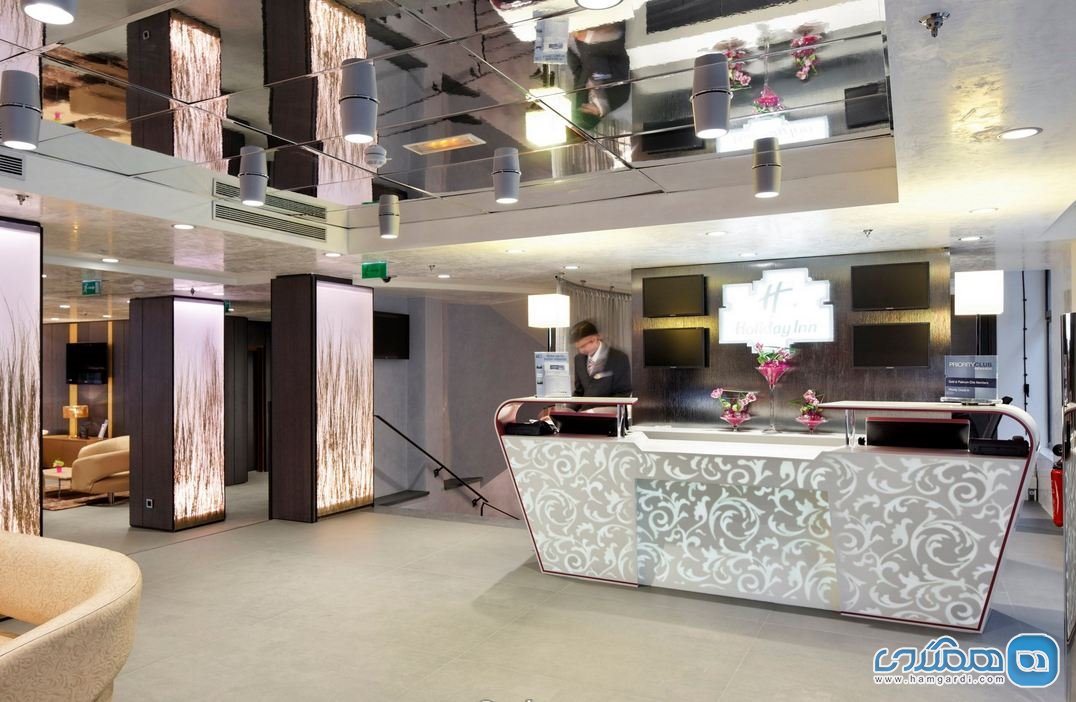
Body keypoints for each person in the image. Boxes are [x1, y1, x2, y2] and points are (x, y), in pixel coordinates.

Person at [569, 320, 632, 398]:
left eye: (583, 346)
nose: (580, 351)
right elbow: (579, 392)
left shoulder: (619, 358)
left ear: (594, 339)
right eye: (578, 348)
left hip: (609, 405)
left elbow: (623, 393)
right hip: (584, 406)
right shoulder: (578, 359)